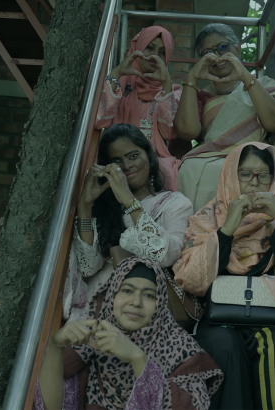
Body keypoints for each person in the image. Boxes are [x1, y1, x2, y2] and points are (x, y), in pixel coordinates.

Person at [172, 142, 275, 410]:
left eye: (263, 176)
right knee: (220, 346)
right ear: (231, 176)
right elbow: (192, 279)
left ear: (273, 180)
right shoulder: (208, 218)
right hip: (222, 316)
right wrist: (228, 227)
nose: (254, 183)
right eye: (245, 174)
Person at [36, 257, 224, 410]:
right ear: (111, 296)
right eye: (127, 290)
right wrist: (55, 346)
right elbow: (50, 407)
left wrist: (138, 359)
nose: (136, 302)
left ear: (160, 304)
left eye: (149, 295)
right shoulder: (89, 340)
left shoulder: (181, 351)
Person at [63, 123, 194, 323]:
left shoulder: (175, 204)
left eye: (133, 156)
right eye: (117, 161)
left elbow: (167, 254)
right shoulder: (105, 208)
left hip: (144, 309)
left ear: (148, 155)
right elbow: (88, 267)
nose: (126, 165)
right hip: (97, 305)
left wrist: (129, 202)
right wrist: (85, 206)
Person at [174, 23, 275, 212]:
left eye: (223, 47)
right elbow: (187, 131)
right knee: (189, 168)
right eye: (208, 53)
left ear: (238, 48)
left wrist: (245, 77)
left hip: (254, 157)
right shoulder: (201, 96)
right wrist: (191, 78)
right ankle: (206, 227)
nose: (217, 56)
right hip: (211, 159)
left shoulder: (264, 86)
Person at [95, 26, 191, 191]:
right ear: (138, 48)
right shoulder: (117, 85)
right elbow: (99, 120)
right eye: (150, 47)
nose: (154, 55)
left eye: (162, 52)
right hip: (117, 159)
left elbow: (168, 132)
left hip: (151, 164)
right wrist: (117, 73)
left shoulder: (172, 93)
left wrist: (166, 84)